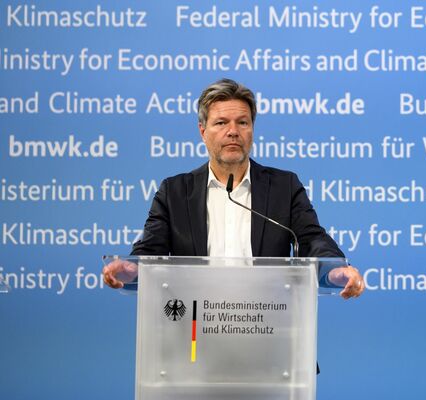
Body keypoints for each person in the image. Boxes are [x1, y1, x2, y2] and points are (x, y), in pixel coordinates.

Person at [103, 78, 364, 299]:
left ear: (252, 130)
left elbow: (311, 240)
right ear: (202, 131)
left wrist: (335, 269)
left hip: (268, 325)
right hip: (196, 328)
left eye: (242, 122)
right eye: (221, 123)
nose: (233, 132)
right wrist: (131, 269)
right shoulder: (175, 192)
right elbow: (150, 252)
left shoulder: (284, 187)